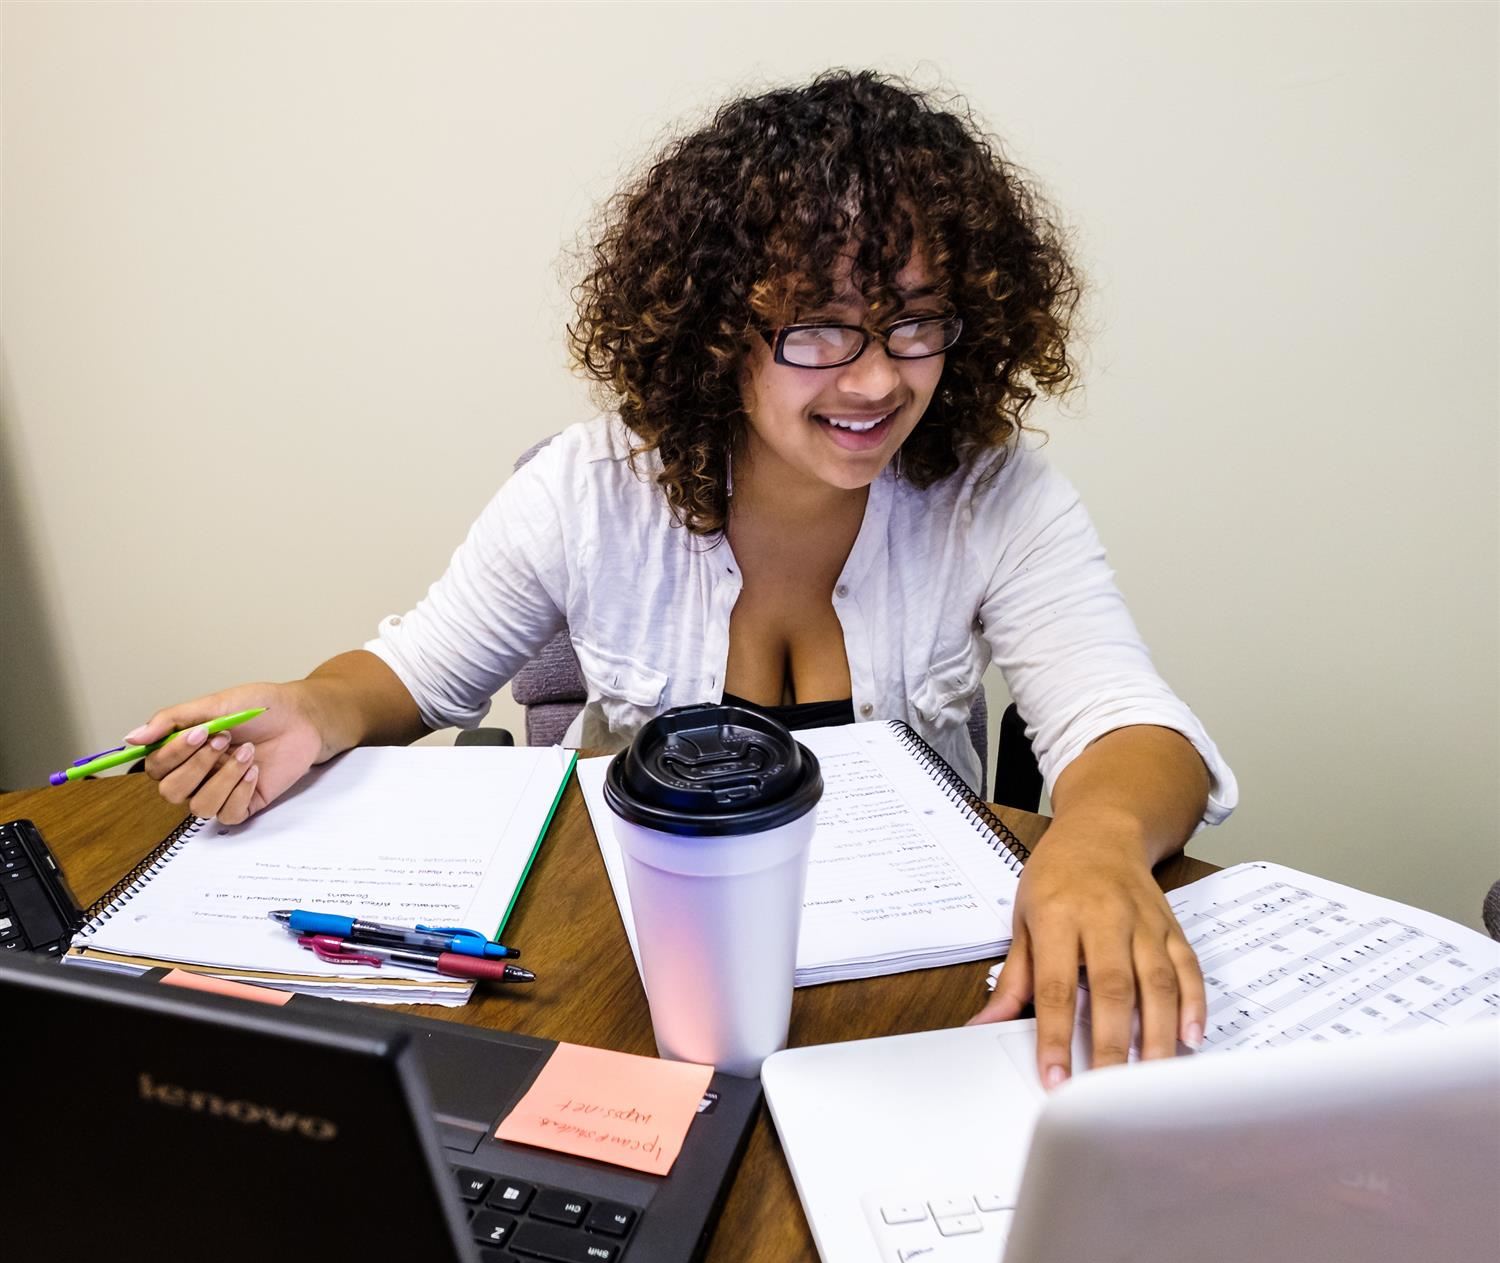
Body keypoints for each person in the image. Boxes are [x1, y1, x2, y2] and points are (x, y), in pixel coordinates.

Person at [127, 69, 1237, 1086]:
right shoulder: (588, 489)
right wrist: (312, 710)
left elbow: (1135, 730)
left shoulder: (992, 493)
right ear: (719, 331)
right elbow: (410, 675)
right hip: (643, 991)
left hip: (909, 1014)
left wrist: (1092, 846)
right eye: (818, 329)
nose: (875, 378)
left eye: (913, 324)